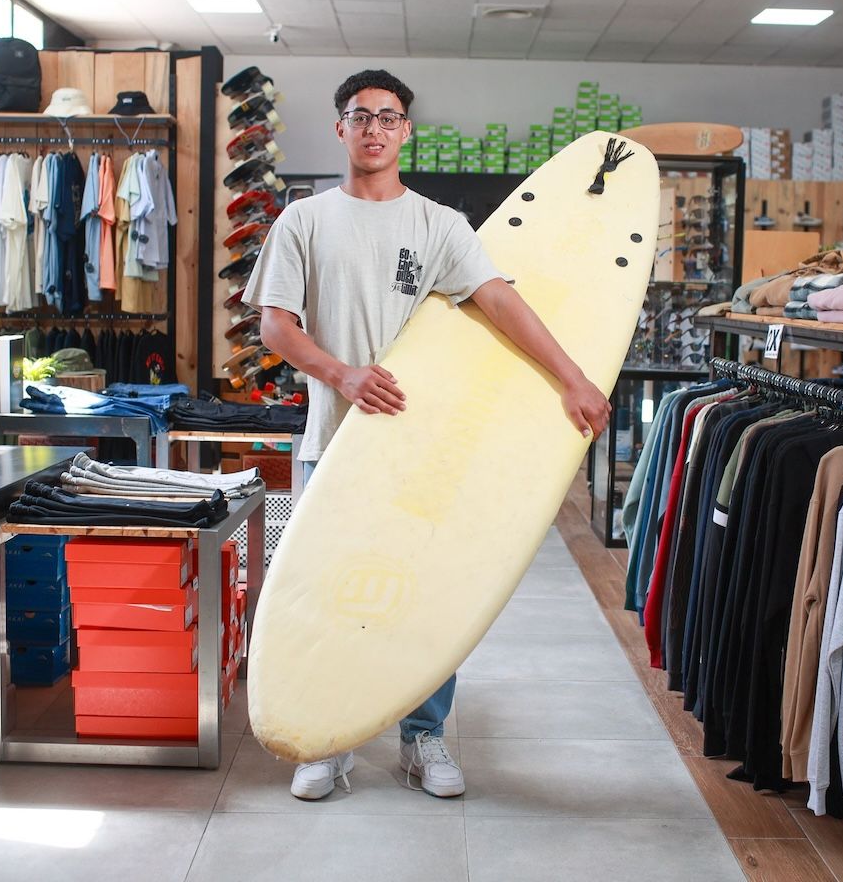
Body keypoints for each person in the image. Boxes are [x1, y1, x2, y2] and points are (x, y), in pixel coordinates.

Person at [241, 69, 611, 801]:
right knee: (325, 594)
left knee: (423, 592)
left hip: (418, 455)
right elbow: (275, 326)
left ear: (406, 131)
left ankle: (425, 737)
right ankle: (325, 737)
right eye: (360, 116)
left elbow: (501, 302)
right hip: (332, 445)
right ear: (339, 127)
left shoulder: (438, 224)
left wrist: (572, 376)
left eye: (389, 116)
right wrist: (343, 375)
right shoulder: (303, 222)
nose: (374, 128)